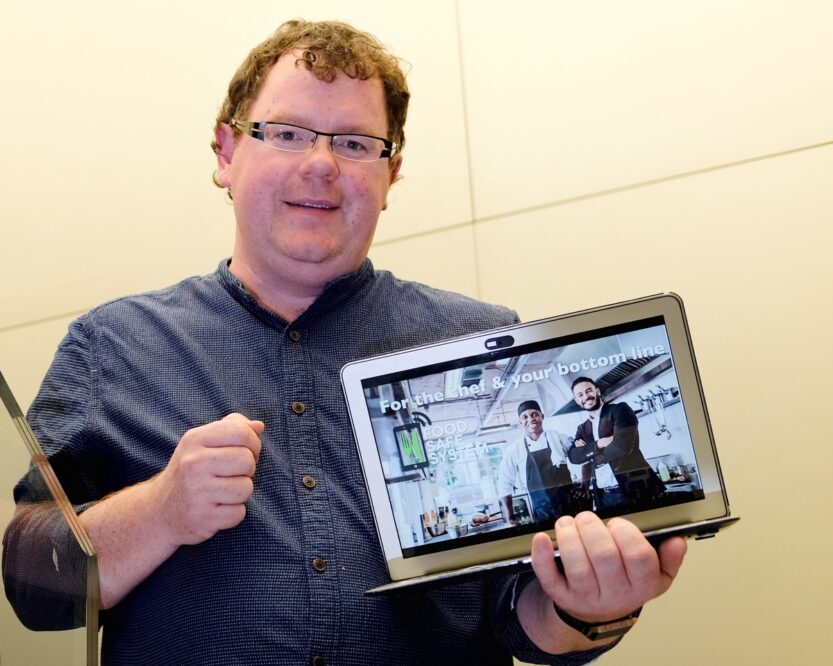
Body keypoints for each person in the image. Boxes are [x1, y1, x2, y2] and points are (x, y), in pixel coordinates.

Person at [2, 19, 686, 665]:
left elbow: (519, 616)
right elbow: (31, 589)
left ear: (390, 175)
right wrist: (160, 511)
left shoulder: (483, 341)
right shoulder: (112, 346)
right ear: (227, 151)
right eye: (289, 133)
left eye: (356, 143)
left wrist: (588, 607)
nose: (322, 164)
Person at [568, 377, 667, 512]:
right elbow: (574, 457)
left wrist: (589, 452)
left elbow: (622, 446)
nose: (586, 396)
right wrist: (600, 443)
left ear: (597, 391)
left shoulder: (619, 410)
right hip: (603, 496)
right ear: (577, 401)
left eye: (589, 390)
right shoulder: (582, 428)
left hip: (633, 491)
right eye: (580, 395)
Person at [497, 400, 591, 524]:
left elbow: (585, 457)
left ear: (542, 416)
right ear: (520, 422)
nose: (531, 419)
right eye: (525, 417)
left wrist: (585, 486)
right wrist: (510, 517)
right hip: (541, 513)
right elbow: (504, 484)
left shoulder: (559, 438)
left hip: (570, 506)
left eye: (535, 414)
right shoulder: (514, 450)